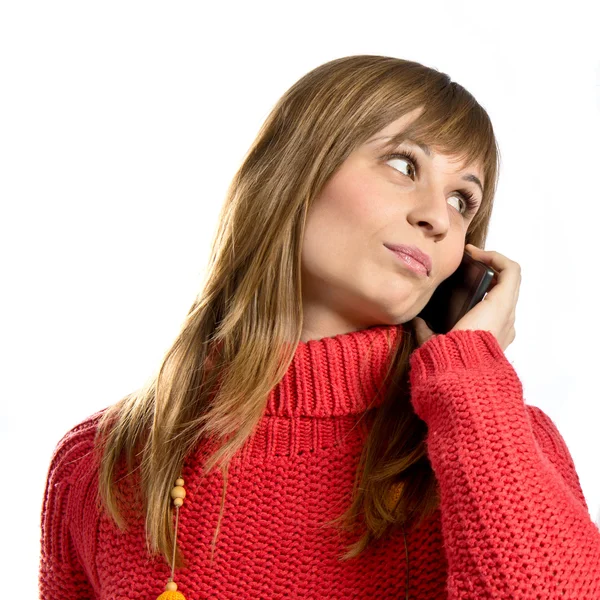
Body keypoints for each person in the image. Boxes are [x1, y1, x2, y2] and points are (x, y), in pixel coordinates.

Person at [38, 55, 600, 599]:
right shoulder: (103, 462)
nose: (438, 217)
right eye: (405, 165)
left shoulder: (503, 442)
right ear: (293, 171)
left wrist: (472, 382)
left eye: (463, 200)